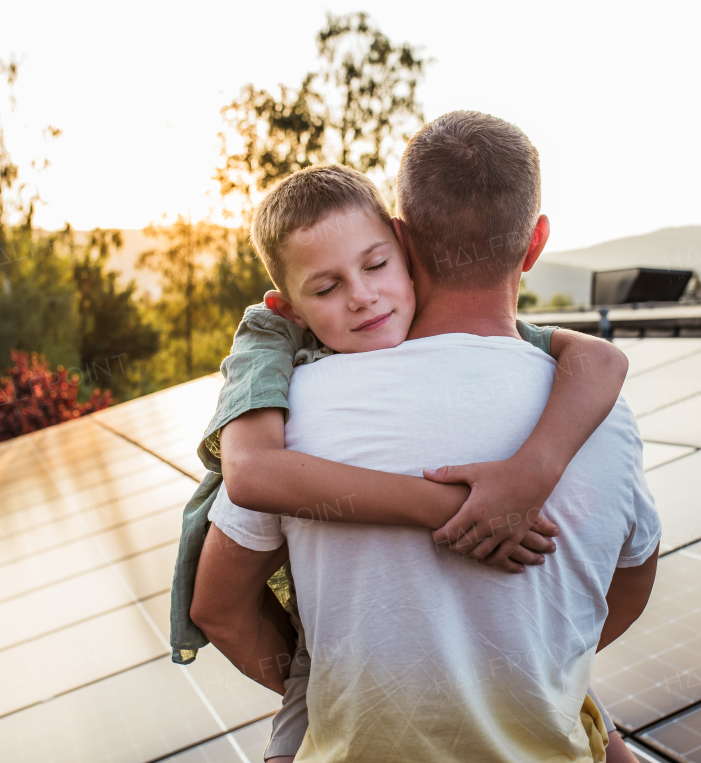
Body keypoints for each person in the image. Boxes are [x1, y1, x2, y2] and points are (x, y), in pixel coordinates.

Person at [195, 111, 661, 762]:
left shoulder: (295, 407)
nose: (358, 297)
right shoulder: (603, 416)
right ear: (535, 243)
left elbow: (218, 608)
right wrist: (530, 674)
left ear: (403, 240)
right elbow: (632, 586)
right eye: (329, 286)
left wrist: (336, 687)